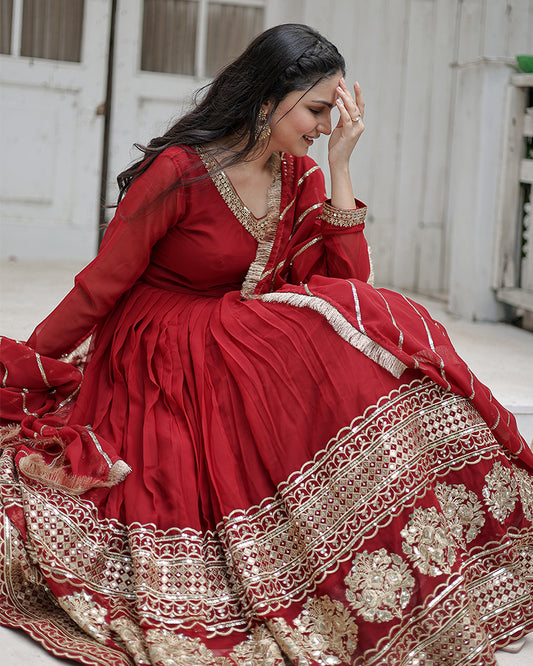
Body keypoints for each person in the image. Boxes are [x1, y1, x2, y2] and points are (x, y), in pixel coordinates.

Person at [0, 23, 532, 666]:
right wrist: (28, 365)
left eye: (333, 113)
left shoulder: (299, 174)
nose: (325, 126)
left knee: (370, 337)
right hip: (158, 346)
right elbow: (100, 286)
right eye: (317, 111)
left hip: (234, 338)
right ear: (266, 99)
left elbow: (348, 292)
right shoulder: (180, 171)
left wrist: (342, 165)